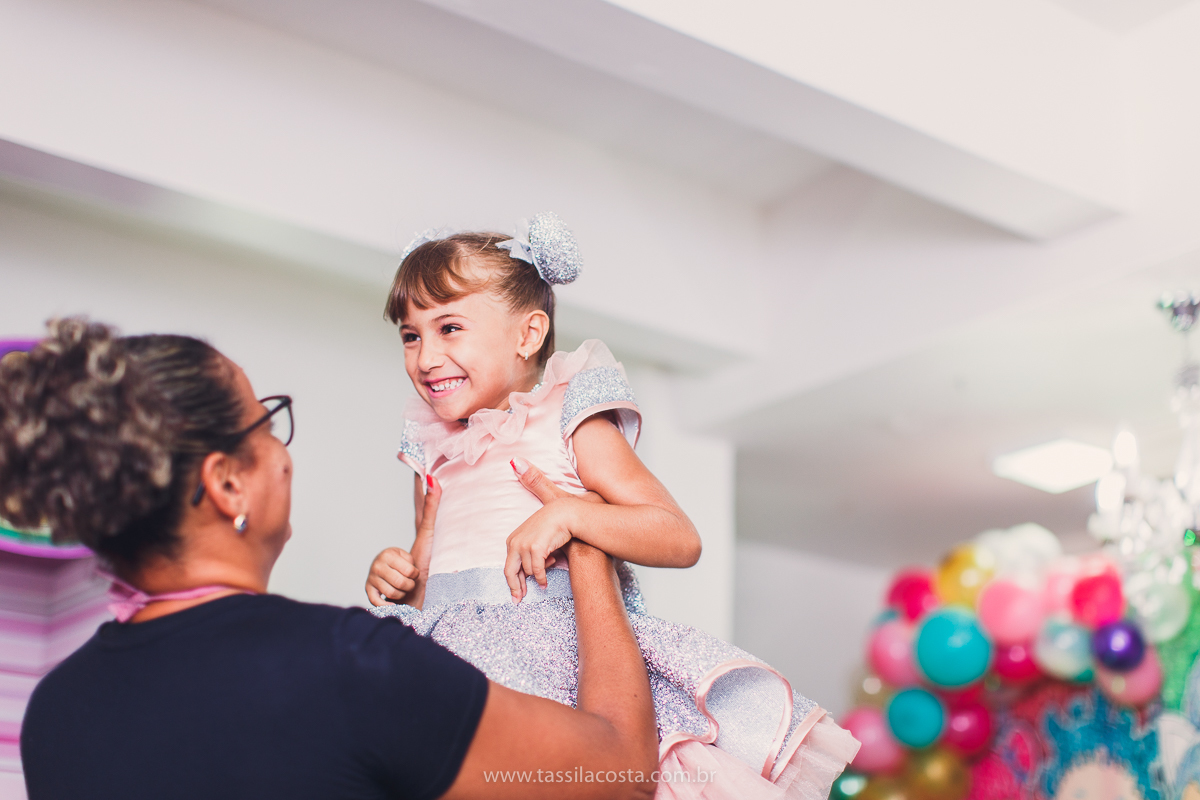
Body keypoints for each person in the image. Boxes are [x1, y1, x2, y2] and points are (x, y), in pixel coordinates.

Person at [1, 317, 658, 800]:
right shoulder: (348, 663)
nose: (283, 453)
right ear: (228, 482)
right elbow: (618, 770)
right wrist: (587, 541)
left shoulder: (57, 709)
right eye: (265, 422)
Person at [365, 214, 860, 799]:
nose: (425, 357)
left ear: (527, 335)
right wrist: (400, 575)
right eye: (411, 335)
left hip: (557, 663)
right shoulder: (434, 450)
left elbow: (677, 537)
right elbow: (431, 580)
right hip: (450, 671)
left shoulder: (562, 417)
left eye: (449, 328)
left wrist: (570, 514)